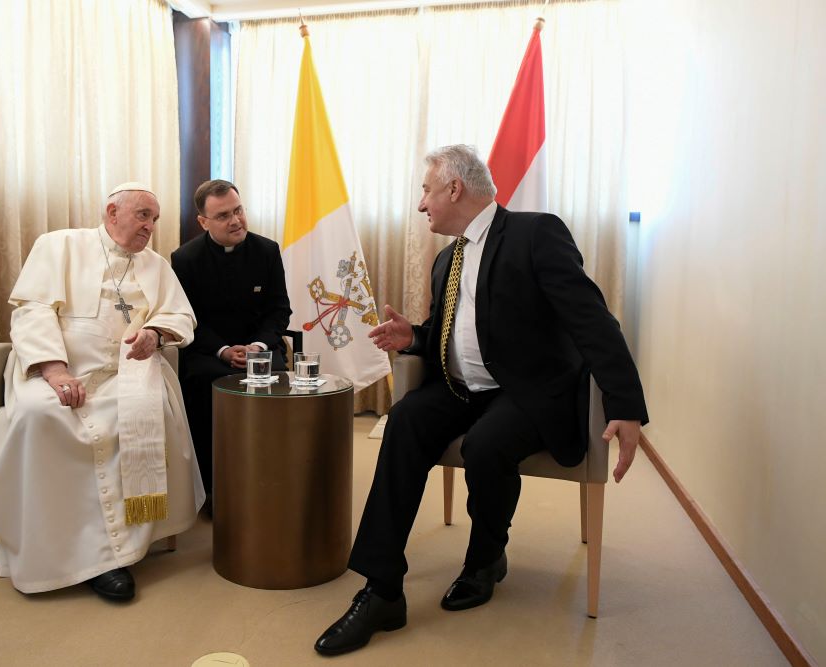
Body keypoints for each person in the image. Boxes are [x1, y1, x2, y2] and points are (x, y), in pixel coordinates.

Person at [314, 145, 648, 655]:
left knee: (487, 446)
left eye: (427, 191)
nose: (422, 204)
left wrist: (624, 405)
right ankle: (381, 590)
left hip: (528, 391)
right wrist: (414, 338)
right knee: (402, 421)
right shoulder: (448, 259)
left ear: (454, 188)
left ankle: (486, 557)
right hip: (461, 388)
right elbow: (457, 334)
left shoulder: (535, 234)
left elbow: (591, 319)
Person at [0, 182, 205, 602]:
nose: (150, 227)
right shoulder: (59, 245)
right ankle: (59, 546)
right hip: (55, 369)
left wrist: (155, 334)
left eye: (155, 219)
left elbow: (181, 316)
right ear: (111, 212)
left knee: (142, 412)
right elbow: (32, 310)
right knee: (38, 415)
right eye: (143, 215)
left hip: (127, 373)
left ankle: (114, 555)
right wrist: (54, 369)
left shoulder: (156, 265)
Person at [171, 179, 291, 498]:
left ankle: (272, 479)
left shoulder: (266, 250)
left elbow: (279, 310)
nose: (235, 220)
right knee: (204, 384)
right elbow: (188, 318)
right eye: (223, 215)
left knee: (272, 380)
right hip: (210, 352)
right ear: (203, 222)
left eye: (238, 210)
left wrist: (258, 346)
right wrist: (224, 351)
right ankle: (213, 489)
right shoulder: (185, 259)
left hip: (259, 349)